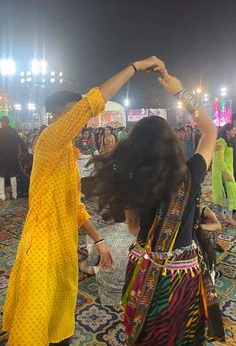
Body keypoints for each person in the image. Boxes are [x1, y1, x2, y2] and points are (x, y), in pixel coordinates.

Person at [2, 56, 161, 346]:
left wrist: (98, 241)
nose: (82, 119)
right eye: (73, 112)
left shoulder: (67, 152)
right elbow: (92, 103)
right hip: (41, 246)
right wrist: (135, 67)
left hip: (63, 246)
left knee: (58, 325)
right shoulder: (49, 141)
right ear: (54, 116)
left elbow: (75, 206)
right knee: (33, 325)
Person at [91, 65, 225, 345]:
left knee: (148, 333)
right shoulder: (191, 173)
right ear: (173, 143)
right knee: (180, 335)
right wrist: (179, 90)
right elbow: (210, 130)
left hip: (144, 268)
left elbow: (132, 226)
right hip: (181, 275)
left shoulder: (132, 178)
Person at [87, 220, 135, 309]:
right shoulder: (146, 238)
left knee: (90, 239)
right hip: (132, 294)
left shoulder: (101, 233)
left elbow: (92, 261)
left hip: (107, 295)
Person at [212, 123, 236, 226]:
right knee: (227, 194)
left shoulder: (227, 141)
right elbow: (220, 160)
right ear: (227, 131)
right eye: (233, 130)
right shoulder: (221, 142)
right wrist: (226, 172)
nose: (234, 132)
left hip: (227, 171)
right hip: (223, 173)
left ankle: (221, 215)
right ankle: (228, 217)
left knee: (224, 194)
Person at [0, 116, 28, 201]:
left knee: (1, 176)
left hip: (1, 158)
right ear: (8, 122)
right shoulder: (14, 132)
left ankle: (2, 195)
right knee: (13, 176)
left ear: (2, 122)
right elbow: (22, 143)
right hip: (12, 157)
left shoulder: (0, 132)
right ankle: (15, 194)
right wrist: (24, 152)